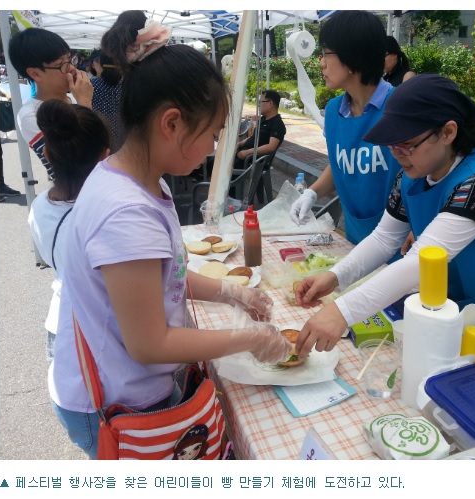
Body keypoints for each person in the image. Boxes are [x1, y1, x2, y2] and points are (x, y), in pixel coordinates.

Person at [49, 10, 290, 459]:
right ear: (172, 123)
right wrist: (251, 338)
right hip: (113, 404)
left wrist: (231, 293)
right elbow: (150, 343)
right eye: (213, 133)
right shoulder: (125, 213)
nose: (215, 148)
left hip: (127, 387)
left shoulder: (143, 179)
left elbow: (167, 272)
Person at [294, 73, 475, 373]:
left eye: (407, 144)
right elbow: (385, 238)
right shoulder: (415, 172)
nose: (397, 154)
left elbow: (419, 262)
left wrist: (341, 312)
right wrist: (335, 277)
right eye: (391, 145)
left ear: (448, 132)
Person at [290, 11, 401, 246]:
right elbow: (342, 162)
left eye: (326, 54)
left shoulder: (399, 106)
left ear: (352, 58)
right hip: (356, 236)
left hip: (401, 240)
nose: (321, 63)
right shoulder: (333, 111)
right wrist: (313, 192)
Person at [28, 99, 111, 360]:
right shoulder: (108, 213)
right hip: (101, 334)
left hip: (59, 326)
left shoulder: (39, 205)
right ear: (105, 156)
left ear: (49, 155)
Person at [8, 28, 93, 180]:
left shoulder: (72, 99)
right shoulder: (31, 114)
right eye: (61, 64)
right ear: (35, 73)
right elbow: (71, 163)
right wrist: (85, 104)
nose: (72, 69)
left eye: (70, 59)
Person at [234, 89, 286, 169]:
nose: (258, 105)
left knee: (214, 165)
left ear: (270, 104)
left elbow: (271, 147)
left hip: (251, 161)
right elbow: (252, 138)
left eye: (261, 102)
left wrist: (247, 152)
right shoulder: (263, 119)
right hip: (243, 155)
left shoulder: (277, 124)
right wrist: (239, 144)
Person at [91, 50, 126, 152]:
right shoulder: (128, 85)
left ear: (101, 63)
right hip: (125, 141)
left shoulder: (91, 85)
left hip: (99, 139)